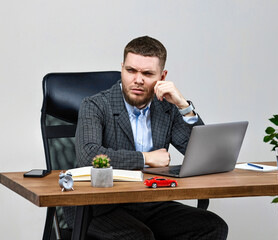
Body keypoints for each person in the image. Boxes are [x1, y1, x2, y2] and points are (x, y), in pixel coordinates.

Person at [65, 36, 228, 240]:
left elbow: (205, 156)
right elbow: (88, 155)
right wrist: (146, 158)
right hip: (99, 207)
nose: (138, 79)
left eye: (148, 73)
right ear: (122, 68)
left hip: (150, 201)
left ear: (162, 76)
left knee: (213, 226)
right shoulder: (95, 105)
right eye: (131, 71)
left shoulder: (166, 108)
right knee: (140, 236)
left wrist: (183, 106)